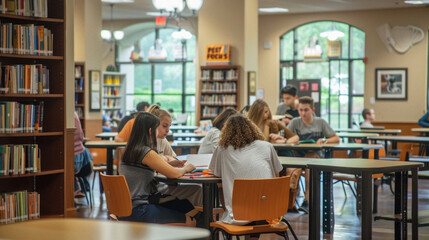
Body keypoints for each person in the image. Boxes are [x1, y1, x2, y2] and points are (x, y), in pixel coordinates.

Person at [119, 112, 199, 225]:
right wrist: (187, 168)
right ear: (151, 131)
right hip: (139, 210)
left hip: (127, 208)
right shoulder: (146, 152)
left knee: (186, 206)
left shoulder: (129, 149)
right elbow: (174, 174)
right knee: (192, 220)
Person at [209, 114, 283, 226]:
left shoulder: (222, 149)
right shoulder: (267, 146)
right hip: (269, 213)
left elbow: (217, 175)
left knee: (222, 186)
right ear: (252, 129)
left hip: (237, 216)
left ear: (226, 132)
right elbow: (277, 176)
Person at [287, 96, 339, 213]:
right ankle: (289, 203)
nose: (303, 113)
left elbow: (336, 138)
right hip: (298, 157)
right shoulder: (295, 122)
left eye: (306, 110)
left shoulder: (320, 122)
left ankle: (307, 199)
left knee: (309, 158)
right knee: (286, 166)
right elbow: (286, 137)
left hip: (317, 157)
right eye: (300, 110)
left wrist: (325, 140)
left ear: (312, 110)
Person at [74, 112, 93, 198]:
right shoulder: (74, 113)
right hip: (84, 162)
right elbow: (81, 136)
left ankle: (76, 188)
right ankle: (81, 187)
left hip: (74, 159)